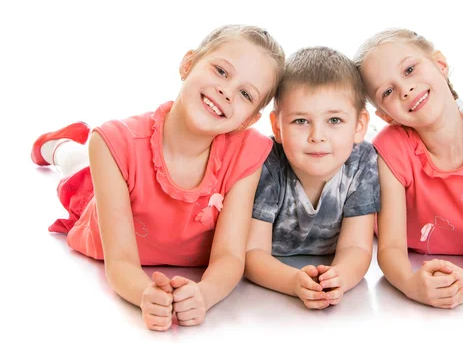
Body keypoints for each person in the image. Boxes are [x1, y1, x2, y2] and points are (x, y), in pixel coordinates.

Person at [31, 25, 285, 330]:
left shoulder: (247, 153)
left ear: (249, 119)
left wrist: (204, 294)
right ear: (188, 64)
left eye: (245, 94)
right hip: (109, 209)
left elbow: (230, 256)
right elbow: (122, 260)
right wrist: (143, 294)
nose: (226, 92)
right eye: (220, 71)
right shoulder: (115, 145)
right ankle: (57, 144)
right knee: (78, 170)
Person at [354, 28, 463, 309]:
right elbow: (390, 249)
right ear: (385, 115)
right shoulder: (389, 150)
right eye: (387, 91)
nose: (406, 89)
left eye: (410, 69)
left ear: (440, 64)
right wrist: (410, 284)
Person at [245, 47, 380, 310]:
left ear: (359, 125)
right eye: (300, 121)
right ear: (277, 126)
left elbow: (357, 246)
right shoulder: (267, 163)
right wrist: (292, 281)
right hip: (270, 290)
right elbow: (252, 253)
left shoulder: (362, 162)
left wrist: (340, 277)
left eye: (334, 120)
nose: (317, 136)